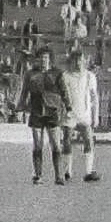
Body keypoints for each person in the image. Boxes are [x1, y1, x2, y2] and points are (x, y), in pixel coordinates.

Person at [18, 47, 69, 184]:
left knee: (56, 145)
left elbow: (64, 91)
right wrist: (20, 106)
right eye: (41, 58)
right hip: (36, 111)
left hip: (52, 112)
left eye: (46, 58)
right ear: (37, 59)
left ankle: (59, 176)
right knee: (38, 145)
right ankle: (38, 175)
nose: (43, 60)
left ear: (50, 59)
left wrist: (68, 106)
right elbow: (24, 92)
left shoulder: (57, 73)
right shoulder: (30, 74)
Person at [59, 46, 102, 183]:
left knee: (88, 139)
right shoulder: (65, 76)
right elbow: (61, 97)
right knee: (66, 140)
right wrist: (61, 114)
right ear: (72, 61)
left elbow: (95, 97)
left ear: (84, 61)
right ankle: (67, 171)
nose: (78, 63)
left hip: (84, 114)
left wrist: (95, 116)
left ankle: (89, 171)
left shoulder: (90, 76)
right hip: (70, 114)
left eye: (81, 60)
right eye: (76, 60)